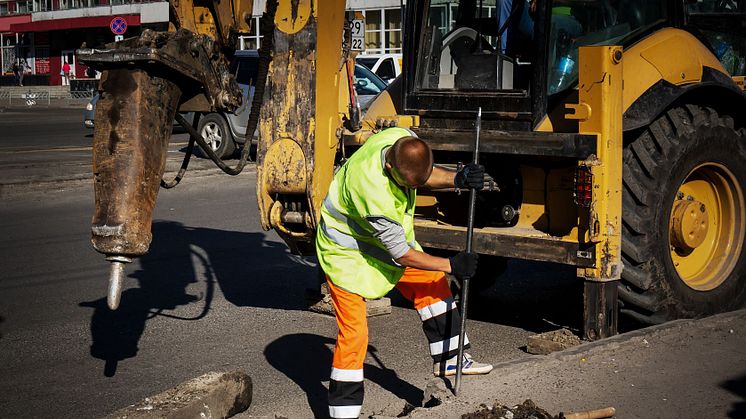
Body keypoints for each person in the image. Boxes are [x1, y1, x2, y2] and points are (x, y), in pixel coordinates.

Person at [316, 127, 492, 419]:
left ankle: (451, 360)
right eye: (407, 185)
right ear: (389, 167)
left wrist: (456, 178)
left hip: (377, 246)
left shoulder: (400, 139)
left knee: (432, 282)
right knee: (354, 333)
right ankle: (342, 413)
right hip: (344, 254)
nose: (412, 189)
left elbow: (422, 174)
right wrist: (451, 264)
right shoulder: (370, 188)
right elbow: (401, 253)